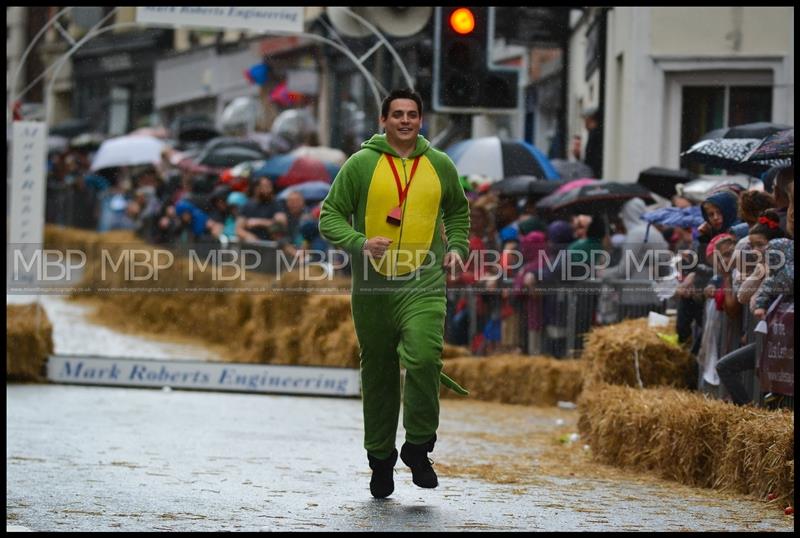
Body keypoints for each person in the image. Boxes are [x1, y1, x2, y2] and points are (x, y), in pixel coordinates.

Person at [319, 88, 470, 499]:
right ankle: (380, 460)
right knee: (380, 372)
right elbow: (329, 215)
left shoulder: (440, 165)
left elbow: (458, 211)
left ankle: (419, 446)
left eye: (413, 114)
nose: (405, 120)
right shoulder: (360, 164)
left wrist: (457, 247)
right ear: (383, 120)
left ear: (421, 121)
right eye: (397, 114)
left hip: (423, 282)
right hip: (373, 287)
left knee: (424, 356)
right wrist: (359, 242)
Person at [236, 177, 287, 243]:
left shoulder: (276, 203)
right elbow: (238, 229)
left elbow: (281, 223)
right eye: (265, 186)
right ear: (256, 188)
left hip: (270, 244)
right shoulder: (247, 205)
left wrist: (259, 222)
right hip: (251, 246)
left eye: (270, 186)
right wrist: (248, 235)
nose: (269, 189)